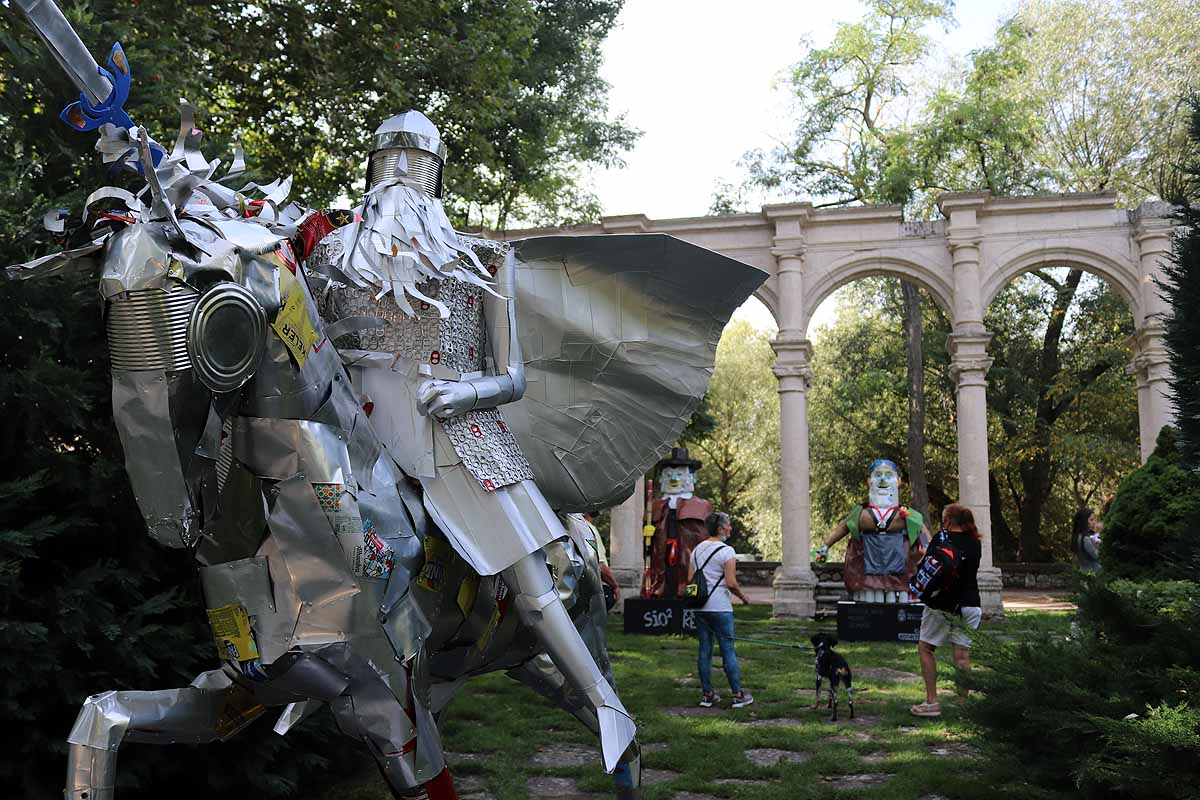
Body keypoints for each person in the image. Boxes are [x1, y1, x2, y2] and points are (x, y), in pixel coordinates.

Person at [911, 503, 982, 718]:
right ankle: (963, 705)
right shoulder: (975, 543)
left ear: (949, 521)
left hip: (941, 605)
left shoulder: (941, 540)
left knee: (926, 648)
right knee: (962, 656)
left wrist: (919, 557)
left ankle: (932, 702)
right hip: (970, 605)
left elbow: (929, 568)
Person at [687, 511, 753, 709]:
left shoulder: (696, 550)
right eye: (729, 525)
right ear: (720, 528)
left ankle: (707, 695)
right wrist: (743, 597)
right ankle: (738, 694)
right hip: (721, 608)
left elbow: (690, 580)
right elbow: (731, 583)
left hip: (700, 608)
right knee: (728, 650)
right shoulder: (727, 552)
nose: (731, 528)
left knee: (704, 650)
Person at [1072, 507, 1102, 573]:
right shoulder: (1085, 538)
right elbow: (1098, 556)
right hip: (1094, 573)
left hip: (1084, 572)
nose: (1094, 522)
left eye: (1094, 520)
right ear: (1084, 521)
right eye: (1091, 520)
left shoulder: (1078, 536)